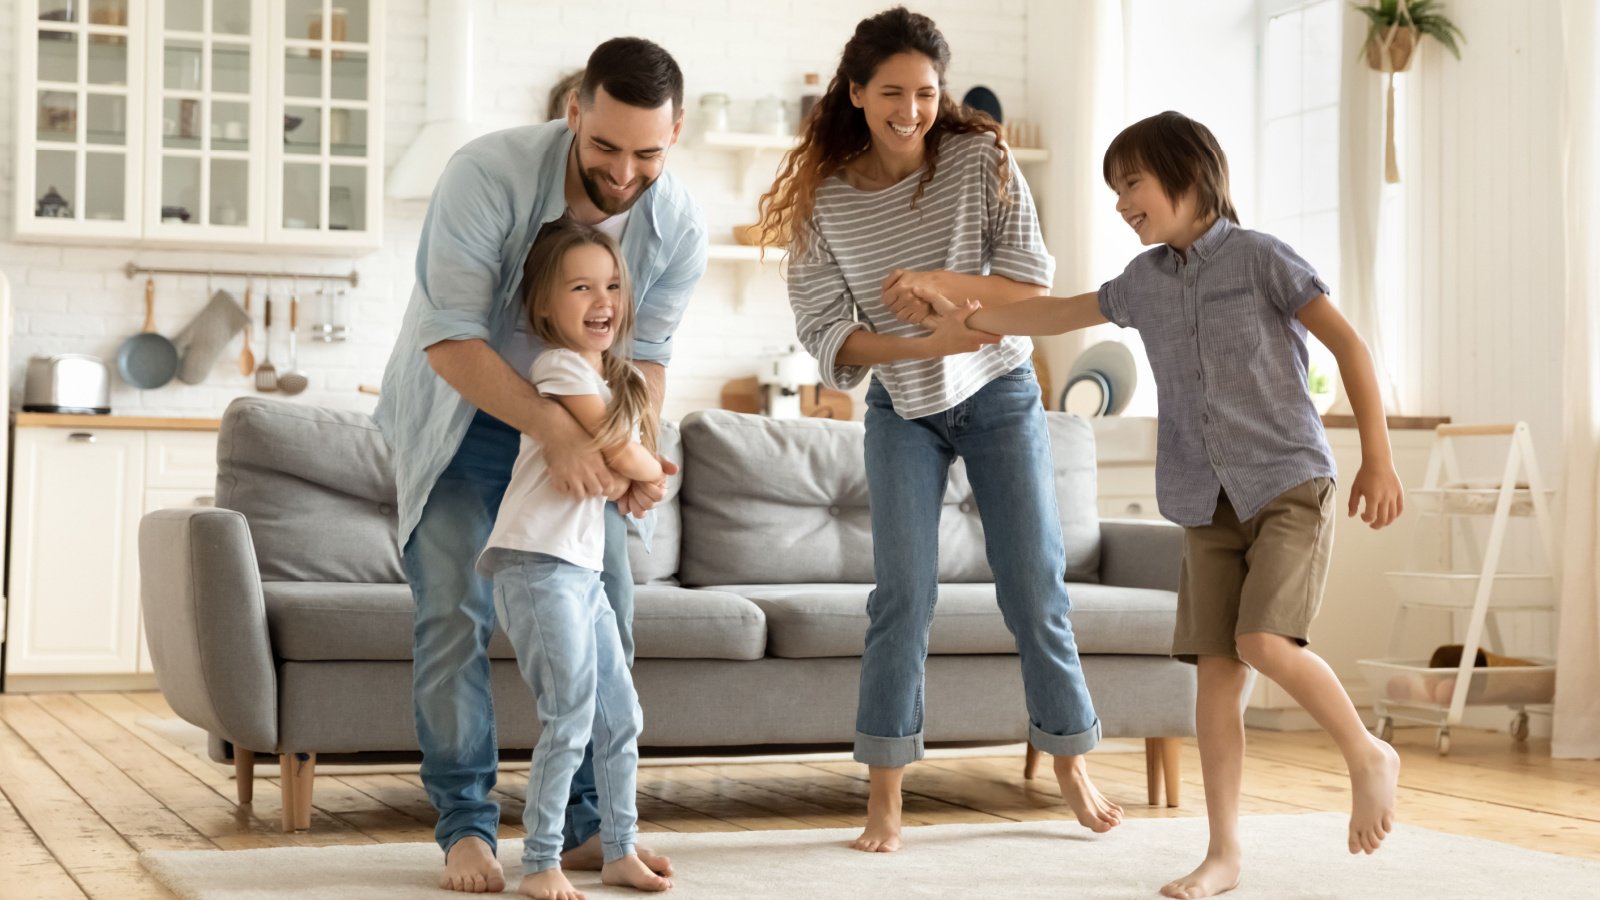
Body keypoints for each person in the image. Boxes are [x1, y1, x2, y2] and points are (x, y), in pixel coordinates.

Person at [943, 110, 1405, 898]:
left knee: (1262, 642)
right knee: (1216, 678)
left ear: (1190, 173)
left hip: (1288, 482)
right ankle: (1223, 852)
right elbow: (1061, 312)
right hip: (1205, 501)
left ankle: (1367, 751)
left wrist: (1379, 459)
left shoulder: (1262, 259)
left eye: (1133, 182)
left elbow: (1349, 346)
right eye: (1115, 188)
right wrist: (970, 319)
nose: (1122, 201)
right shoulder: (1145, 284)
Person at [756, 5, 1124, 854]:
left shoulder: (980, 157)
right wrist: (925, 339)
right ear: (856, 93)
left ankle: (1069, 758)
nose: (911, 110)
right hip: (903, 407)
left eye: (926, 92)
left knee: (1035, 585)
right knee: (903, 598)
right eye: (892, 92)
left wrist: (934, 285)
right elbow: (824, 332)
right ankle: (885, 795)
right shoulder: (825, 201)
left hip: (998, 392)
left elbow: (1030, 278)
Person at [375, 37, 707, 893]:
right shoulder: (486, 174)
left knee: (611, 626)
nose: (624, 171)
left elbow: (651, 358)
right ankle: (466, 829)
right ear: (572, 115)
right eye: (605, 147)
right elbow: (450, 336)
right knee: (454, 616)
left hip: (588, 425)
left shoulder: (677, 225)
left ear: (677, 134)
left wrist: (628, 450)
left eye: (648, 152)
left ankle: (594, 829)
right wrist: (558, 434)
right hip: (465, 417)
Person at [481, 221, 669, 899]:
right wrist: (645, 471)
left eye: (612, 285)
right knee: (571, 716)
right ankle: (539, 863)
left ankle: (618, 848)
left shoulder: (607, 377)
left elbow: (627, 461)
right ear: (545, 307)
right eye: (582, 286)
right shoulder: (558, 366)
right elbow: (627, 456)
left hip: (580, 570)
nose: (602, 299)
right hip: (536, 564)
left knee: (622, 716)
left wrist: (638, 470)